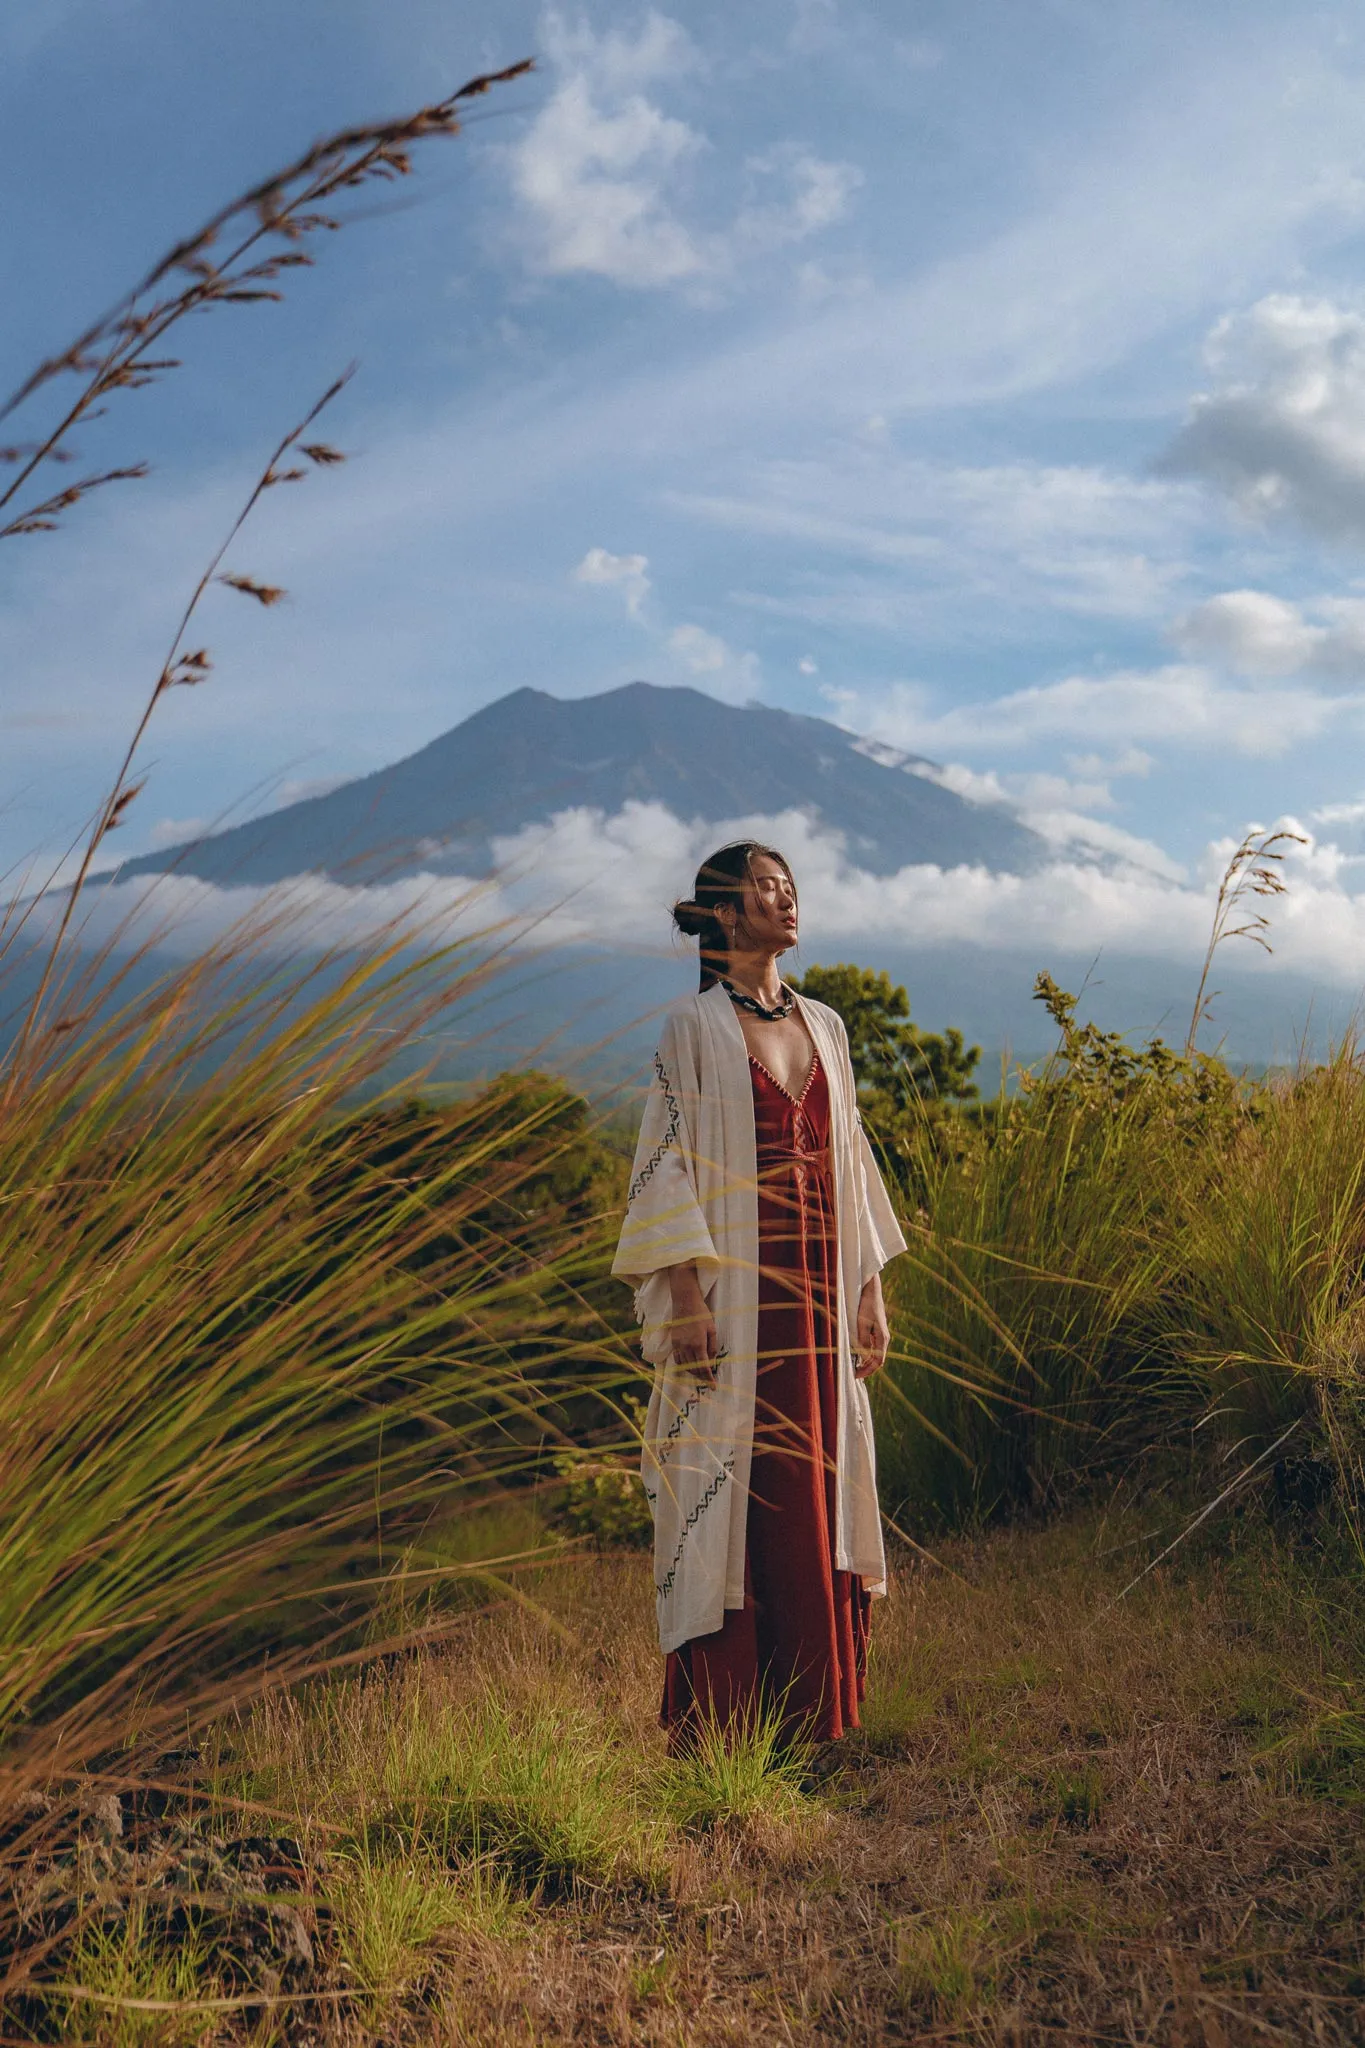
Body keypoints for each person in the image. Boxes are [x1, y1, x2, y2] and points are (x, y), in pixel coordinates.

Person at [612, 841, 907, 1749]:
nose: (786, 900)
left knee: (816, 1482)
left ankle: (817, 1721)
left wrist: (868, 1290)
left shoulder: (827, 1026)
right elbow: (662, 1170)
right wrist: (685, 1299)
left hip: (819, 1300)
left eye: (789, 887)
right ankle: (730, 1725)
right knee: (738, 1491)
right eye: (766, 890)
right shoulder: (690, 1030)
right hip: (737, 1303)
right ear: (726, 916)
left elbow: (851, 1166)